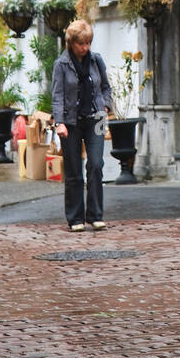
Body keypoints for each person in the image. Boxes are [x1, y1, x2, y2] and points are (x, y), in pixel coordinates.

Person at [52, 19, 114, 232]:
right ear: (71, 43)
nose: (85, 47)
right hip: (70, 123)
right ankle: (75, 218)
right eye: (81, 43)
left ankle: (96, 215)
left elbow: (106, 88)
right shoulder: (61, 65)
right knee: (74, 171)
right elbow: (58, 96)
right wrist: (59, 122)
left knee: (96, 165)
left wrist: (105, 106)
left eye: (88, 43)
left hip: (95, 119)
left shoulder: (96, 61)